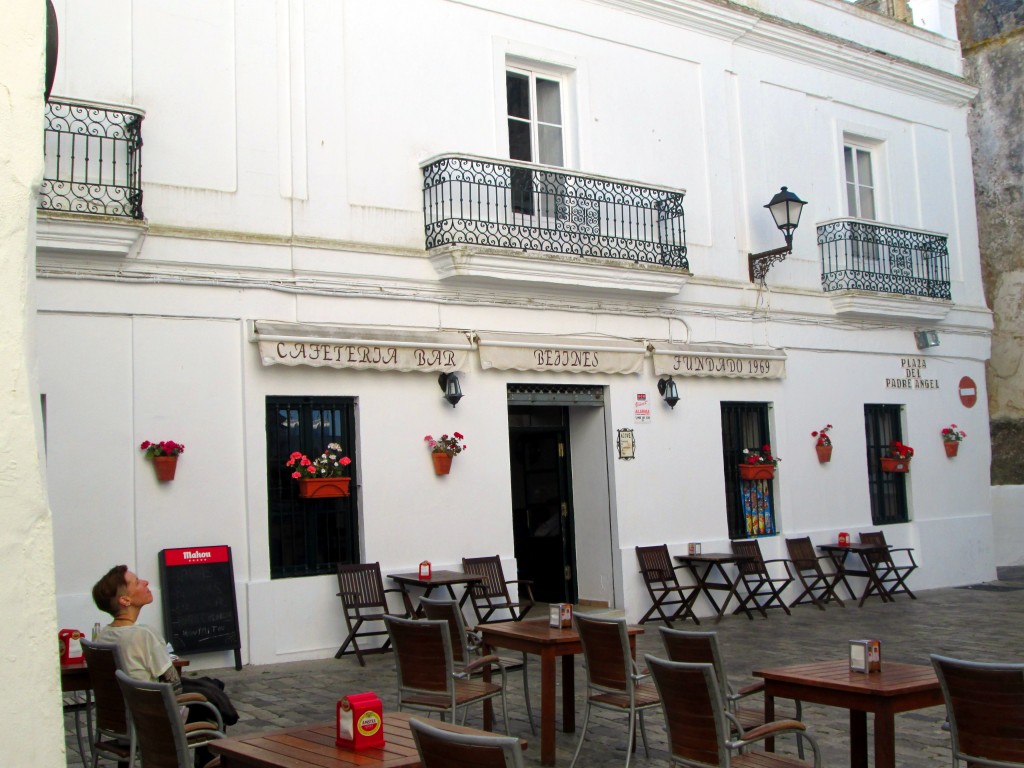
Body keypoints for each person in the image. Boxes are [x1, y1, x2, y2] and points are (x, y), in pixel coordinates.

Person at [92, 565, 235, 767]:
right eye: (137, 581)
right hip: (151, 722)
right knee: (209, 705)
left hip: (121, 725)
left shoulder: (102, 637)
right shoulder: (144, 635)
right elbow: (174, 686)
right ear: (125, 600)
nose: (145, 582)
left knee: (208, 687)